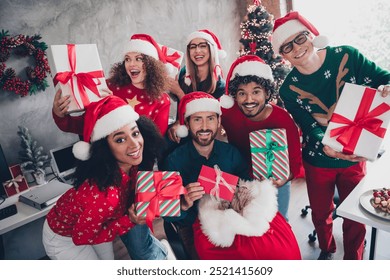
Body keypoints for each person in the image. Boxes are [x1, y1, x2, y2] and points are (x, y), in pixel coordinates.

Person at [271, 11, 390, 260]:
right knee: (320, 212)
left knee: (356, 213)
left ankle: (353, 259)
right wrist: (326, 143)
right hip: (318, 160)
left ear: (311, 35)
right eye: (287, 46)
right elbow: (307, 125)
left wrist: (385, 89)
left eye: (300, 38)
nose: (297, 49)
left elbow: (384, 78)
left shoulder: (347, 56)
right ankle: (326, 249)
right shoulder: (288, 89)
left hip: (355, 155)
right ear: (283, 55)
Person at [162, 91, 301, 260]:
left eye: (211, 119)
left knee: (279, 249)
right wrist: (183, 204)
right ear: (188, 123)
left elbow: (250, 185)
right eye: (197, 119)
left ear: (219, 122)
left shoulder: (231, 152)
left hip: (238, 217)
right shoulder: (173, 161)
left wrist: (249, 189)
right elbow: (167, 214)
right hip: (198, 228)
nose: (204, 126)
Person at [42, 95, 167, 260]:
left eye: (135, 133)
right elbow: (81, 237)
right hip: (65, 237)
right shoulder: (104, 195)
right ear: (105, 148)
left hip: (96, 224)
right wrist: (129, 220)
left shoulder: (133, 165)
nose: (135, 144)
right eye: (120, 139)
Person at [219, 55, 302, 221]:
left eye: (256, 92)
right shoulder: (228, 111)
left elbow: (295, 162)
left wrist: (285, 177)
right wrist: (180, 122)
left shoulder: (283, 119)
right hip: (242, 177)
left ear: (267, 93)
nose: (249, 100)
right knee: (242, 222)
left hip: (275, 180)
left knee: (278, 223)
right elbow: (203, 112)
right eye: (242, 93)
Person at [52, 33, 171, 137]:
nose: (131, 64)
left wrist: (116, 108)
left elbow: (155, 143)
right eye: (127, 59)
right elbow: (83, 126)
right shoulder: (109, 86)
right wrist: (60, 115)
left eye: (138, 59)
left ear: (152, 65)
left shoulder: (162, 101)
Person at [167, 29, 227, 144]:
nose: (197, 51)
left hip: (203, 133)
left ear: (211, 50)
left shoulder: (218, 84)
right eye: (193, 47)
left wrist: (179, 92)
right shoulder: (184, 73)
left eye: (202, 46)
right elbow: (179, 107)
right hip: (183, 126)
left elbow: (200, 115)